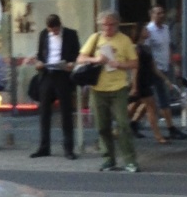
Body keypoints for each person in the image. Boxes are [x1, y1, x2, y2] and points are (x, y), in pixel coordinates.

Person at [78, 10, 140, 172]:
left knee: (123, 124)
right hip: (98, 87)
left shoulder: (124, 40)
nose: (108, 28)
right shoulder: (95, 38)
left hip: (118, 87)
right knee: (102, 126)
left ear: (117, 24)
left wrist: (119, 64)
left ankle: (130, 160)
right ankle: (108, 158)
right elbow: (81, 58)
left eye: (111, 24)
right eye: (104, 24)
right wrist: (96, 59)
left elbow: (134, 63)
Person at [30, 14, 80, 159]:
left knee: (66, 113)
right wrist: (38, 63)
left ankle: (68, 149)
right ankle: (44, 147)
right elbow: (40, 54)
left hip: (63, 75)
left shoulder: (71, 34)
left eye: (56, 30)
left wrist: (72, 64)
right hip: (47, 74)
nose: (54, 33)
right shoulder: (43, 35)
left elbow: (77, 54)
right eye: (51, 30)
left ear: (60, 25)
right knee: (44, 112)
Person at [144, 5, 187, 140]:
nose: (161, 15)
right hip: (154, 69)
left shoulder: (165, 29)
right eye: (158, 13)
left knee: (144, 99)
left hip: (164, 67)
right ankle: (171, 128)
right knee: (162, 98)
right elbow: (146, 51)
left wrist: (173, 64)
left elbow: (168, 47)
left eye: (162, 13)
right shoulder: (149, 30)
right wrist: (151, 67)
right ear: (152, 14)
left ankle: (133, 123)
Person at [128, 25, 170, 145]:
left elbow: (154, 67)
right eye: (145, 29)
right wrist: (134, 85)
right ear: (139, 32)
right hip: (140, 80)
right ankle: (158, 136)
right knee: (151, 107)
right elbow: (135, 68)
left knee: (135, 106)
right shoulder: (136, 48)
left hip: (146, 79)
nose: (147, 31)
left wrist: (165, 79)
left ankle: (117, 129)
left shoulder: (146, 48)